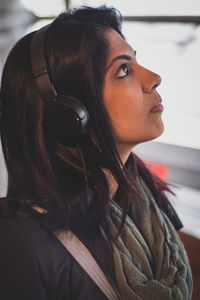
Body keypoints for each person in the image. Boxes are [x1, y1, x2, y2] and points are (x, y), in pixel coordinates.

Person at [0, 5, 192, 300]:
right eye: (123, 70)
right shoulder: (22, 245)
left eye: (136, 61)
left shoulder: (141, 189)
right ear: (70, 114)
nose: (153, 77)